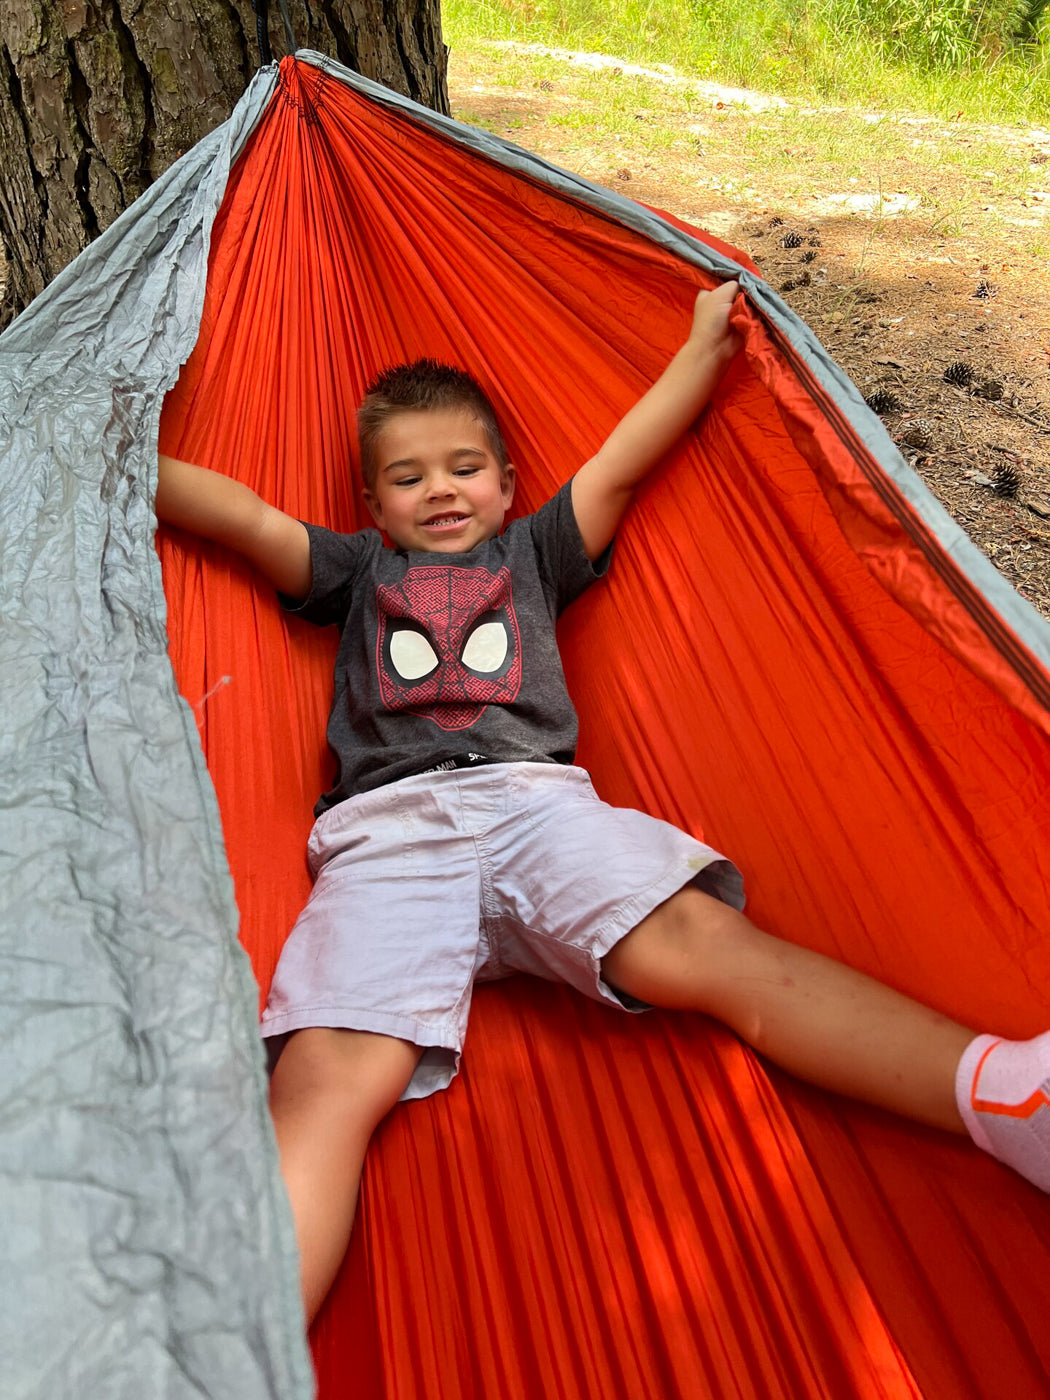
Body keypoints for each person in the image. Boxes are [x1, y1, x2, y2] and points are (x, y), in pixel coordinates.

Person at [156, 280, 1050, 1324]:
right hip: (385, 836)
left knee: (711, 949)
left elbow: (625, 459)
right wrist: (115, 443)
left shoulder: (534, 551)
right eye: (406, 477)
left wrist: (704, 349)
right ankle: (231, 1350)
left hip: (540, 808)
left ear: (505, 480)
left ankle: (1002, 1095)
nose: (440, 490)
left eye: (464, 467)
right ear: (372, 505)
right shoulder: (356, 571)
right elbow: (244, 516)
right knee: (326, 1075)